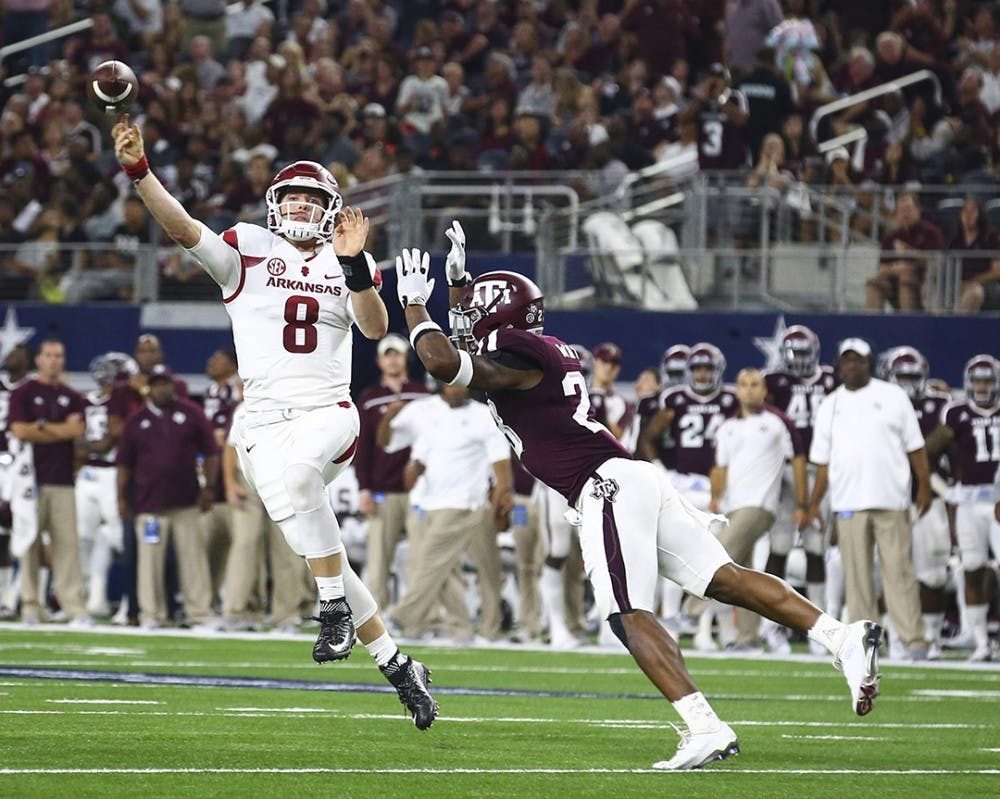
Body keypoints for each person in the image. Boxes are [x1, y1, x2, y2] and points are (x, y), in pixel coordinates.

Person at [391, 234, 884, 769]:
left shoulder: (520, 355)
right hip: (629, 478)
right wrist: (461, 291)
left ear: (497, 316)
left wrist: (416, 304)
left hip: (603, 485)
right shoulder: (533, 350)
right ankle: (841, 636)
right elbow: (470, 358)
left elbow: (445, 363)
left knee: (627, 613)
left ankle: (705, 726)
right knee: (725, 578)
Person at [112, 115, 437, 729]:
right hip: (260, 423)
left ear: (332, 210)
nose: (300, 206)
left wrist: (358, 264)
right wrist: (139, 171)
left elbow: (374, 329)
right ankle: (398, 666)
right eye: (291, 196)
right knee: (326, 556)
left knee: (301, 483)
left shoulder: (349, 262)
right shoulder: (247, 249)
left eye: (313, 199)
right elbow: (183, 228)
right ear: (274, 205)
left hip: (326, 411)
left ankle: (333, 611)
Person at [807, 338, 931, 661]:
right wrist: (813, 504)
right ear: (839, 365)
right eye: (846, 360)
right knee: (856, 575)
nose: (852, 366)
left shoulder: (893, 396)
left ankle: (913, 639)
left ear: (869, 363)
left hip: (891, 499)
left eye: (858, 360)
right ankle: (867, 643)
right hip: (847, 500)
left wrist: (925, 486)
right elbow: (822, 461)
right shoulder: (829, 404)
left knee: (898, 571)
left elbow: (915, 447)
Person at [381, 382, 512, 642]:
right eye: (451, 384)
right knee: (438, 568)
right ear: (440, 383)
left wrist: (502, 500)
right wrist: (388, 417)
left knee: (485, 571)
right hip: (428, 504)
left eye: (462, 385)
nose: (456, 390)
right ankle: (461, 629)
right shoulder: (422, 410)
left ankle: (403, 616)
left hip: (468, 504)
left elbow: (501, 465)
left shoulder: (483, 415)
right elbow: (388, 443)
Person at [116, 365, 220, 629]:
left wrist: (209, 488)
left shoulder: (191, 413)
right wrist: (120, 497)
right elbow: (125, 464)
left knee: (193, 559)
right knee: (149, 562)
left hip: (187, 503)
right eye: (157, 383)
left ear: (173, 384)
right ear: (149, 387)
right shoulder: (136, 420)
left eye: (166, 383)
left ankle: (200, 613)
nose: (162, 388)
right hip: (150, 505)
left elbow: (210, 452)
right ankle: (152, 614)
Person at [710, 368, 807, 650]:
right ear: (736, 390)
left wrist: (802, 503)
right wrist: (716, 498)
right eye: (743, 385)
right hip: (732, 506)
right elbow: (720, 467)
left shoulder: (778, 422)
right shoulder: (727, 427)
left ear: (764, 390)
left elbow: (797, 461)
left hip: (759, 506)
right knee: (743, 576)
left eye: (755, 385)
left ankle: (688, 614)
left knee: (714, 559)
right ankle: (749, 637)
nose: (749, 390)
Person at [762, 324, 837, 652]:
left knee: (815, 547)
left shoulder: (832, 380)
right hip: (786, 468)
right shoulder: (774, 382)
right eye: (795, 353)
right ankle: (771, 625)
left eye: (805, 353)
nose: (800, 360)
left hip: (822, 468)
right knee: (778, 546)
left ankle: (819, 627)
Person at [880, 346, 955, 658]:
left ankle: (932, 635)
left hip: (928, 496)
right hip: (888, 497)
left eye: (913, 376)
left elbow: (949, 436)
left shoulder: (940, 405)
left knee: (934, 573)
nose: (908, 383)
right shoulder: (876, 403)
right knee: (890, 571)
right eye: (902, 377)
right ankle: (895, 634)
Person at [9, 338, 89, 626]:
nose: (54, 360)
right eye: (49, 355)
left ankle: (74, 607)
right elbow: (19, 430)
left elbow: (78, 429)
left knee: (67, 546)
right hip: (29, 480)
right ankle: (30, 604)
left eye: (59, 355)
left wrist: (41, 427)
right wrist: (59, 430)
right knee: (29, 542)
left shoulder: (72, 395)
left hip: (63, 479)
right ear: (39, 360)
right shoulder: (24, 393)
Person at [926, 354, 1000, 662]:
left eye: (988, 380)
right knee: (971, 568)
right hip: (970, 501)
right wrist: (947, 492)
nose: (982, 387)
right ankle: (981, 641)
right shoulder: (956, 413)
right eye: (978, 381)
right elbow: (926, 453)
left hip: (997, 501)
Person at [354, 333, 428, 610]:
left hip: (420, 490)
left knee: (421, 558)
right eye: (388, 354)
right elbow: (363, 449)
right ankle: (377, 618)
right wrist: (364, 488)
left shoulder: (422, 394)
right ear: (379, 361)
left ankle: (419, 616)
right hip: (383, 489)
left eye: (397, 353)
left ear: (405, 357)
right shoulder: (370, 398)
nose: (393, 359)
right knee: (378, 560)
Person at [75, 352, 138, 618]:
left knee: (120, 540)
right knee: (84, 537)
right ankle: (90, 599)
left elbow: (115, 436)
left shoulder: (127, 399)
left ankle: (127, 602)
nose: (106, 374)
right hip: (88, 473)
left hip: (114, 473)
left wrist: (91, 446)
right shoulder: (84, 400)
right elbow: (77, 439)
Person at [865, 192, 945, 312]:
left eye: (908, 209)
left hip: (923, 280)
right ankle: (872, 325)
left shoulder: (930, 232)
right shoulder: (892, 235)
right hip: (893, 281)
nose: (904, 214)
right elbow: (882, 266)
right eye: (901, 210)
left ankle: (907, 324)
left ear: (918, 210)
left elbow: (937, 261)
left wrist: (909, 253)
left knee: (906, 277)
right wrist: (895, 269)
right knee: (873, 283)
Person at [0, 344, 34, 618]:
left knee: (24, 530)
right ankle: (5, 597)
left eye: (17, 351)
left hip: (23, 465)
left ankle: (28, 596)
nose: (10, 355)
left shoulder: (33, 388)